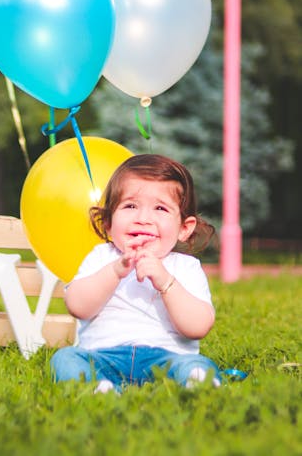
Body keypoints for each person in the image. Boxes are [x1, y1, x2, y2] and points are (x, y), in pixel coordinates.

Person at [51, 153, 221, 392]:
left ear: (184, 228)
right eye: (130, 206)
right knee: (65, 358)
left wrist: (165, 282)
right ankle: (99, 388)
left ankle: (197, 382)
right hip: (104, 357)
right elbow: (78, 306)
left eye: (160, 208)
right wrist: (115, 271)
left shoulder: (185, 267)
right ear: (108, 222)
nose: (143, 219)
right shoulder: (102, 257)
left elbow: (198, 326)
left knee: (192, 364)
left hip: (167, 359)